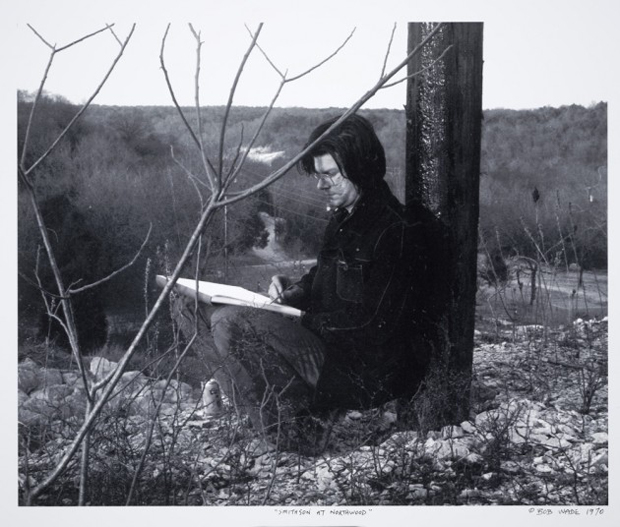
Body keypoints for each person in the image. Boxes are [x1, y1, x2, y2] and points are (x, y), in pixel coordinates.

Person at [175, 114, 428, 448]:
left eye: (330, 175)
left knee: (229, 322)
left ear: (362, 168)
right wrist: (290, 291)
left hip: (356, 365)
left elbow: (375, 324)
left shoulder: (392, 231)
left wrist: (299, 318)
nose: (321, 185)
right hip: (323, 340)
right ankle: (260, 411)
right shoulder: (343, 219)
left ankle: (294, 430)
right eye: (318, 175)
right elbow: (320, 279)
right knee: (187, 305)